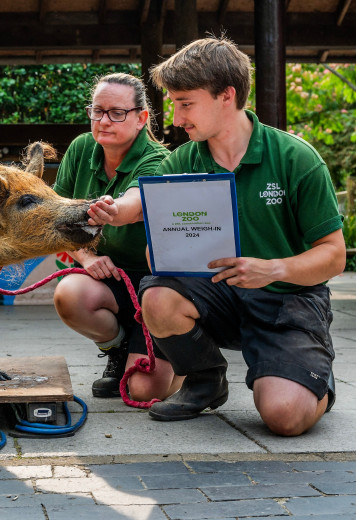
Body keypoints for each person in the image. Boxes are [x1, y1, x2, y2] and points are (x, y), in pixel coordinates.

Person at [138, 36, 345, 436]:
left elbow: (334, 256)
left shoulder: (296, 158)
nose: (176, 119)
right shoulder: (180, 162)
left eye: (185, 103)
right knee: (158, 296)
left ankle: (312, 378)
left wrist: (273, 269)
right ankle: (204, 379)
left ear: (226, 96)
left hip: (289, 300)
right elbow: (156, 258)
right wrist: (165, 248)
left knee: (285, 418)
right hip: (218, 293)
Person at [52, 72, 182, 401]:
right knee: (70, 294)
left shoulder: (157, 160)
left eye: (116, 113)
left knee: (144, 392)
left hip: (157, 288)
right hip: (109, 277)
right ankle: (118, 348)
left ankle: (186, 361)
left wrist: (113, 209)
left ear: (141, 118)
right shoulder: (81, 149)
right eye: (97, 111)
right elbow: (55, 217)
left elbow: (134, 204)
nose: (104, 121)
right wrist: (86, 257)